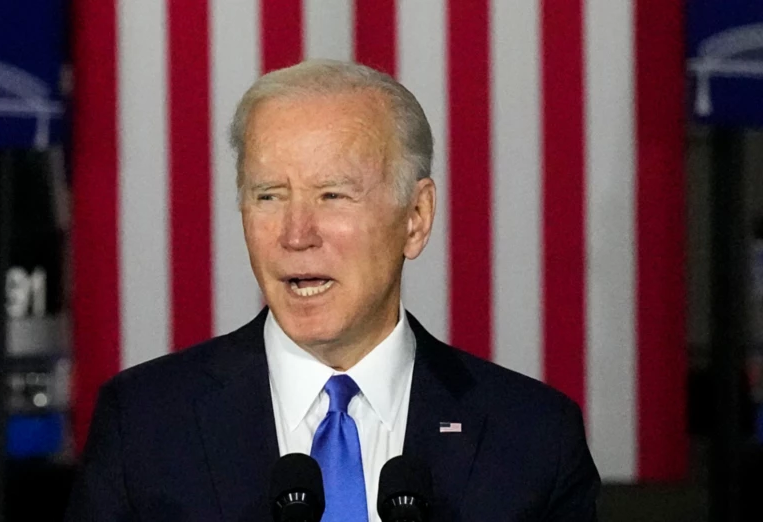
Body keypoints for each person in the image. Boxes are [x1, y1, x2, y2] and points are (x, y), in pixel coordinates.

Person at [64, 60, 600, 522]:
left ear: (416, 217)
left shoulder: (532, 438)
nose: (297, 235)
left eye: (333, 195)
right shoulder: (144, 425)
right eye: (270, 195)